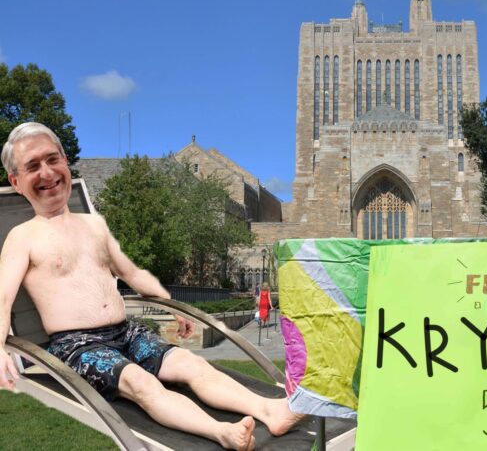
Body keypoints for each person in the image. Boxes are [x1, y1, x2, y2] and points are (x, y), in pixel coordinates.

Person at [0, 123, 301, 451]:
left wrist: (171, 304)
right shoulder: (23, 236)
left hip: (126, 333)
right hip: (77, 346)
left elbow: (131, 272)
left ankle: (269, 410)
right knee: (138, 381)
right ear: (16, 182)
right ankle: (221, 432)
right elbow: (2, 297)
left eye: (52, 159)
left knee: (192, 364)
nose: (47, 172)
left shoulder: (94, 225)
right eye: (32, 166)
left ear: (65, 162)